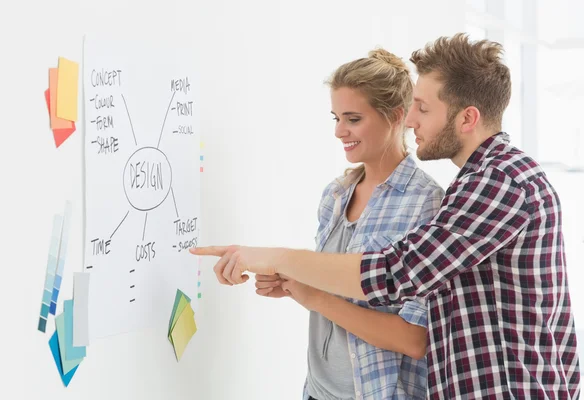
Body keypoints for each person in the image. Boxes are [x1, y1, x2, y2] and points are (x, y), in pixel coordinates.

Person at [191, 33, 581, 399]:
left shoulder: (497, 182)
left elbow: (399, 274)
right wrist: (295, 281)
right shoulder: (474, 182)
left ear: (467, 119)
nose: (413, 121)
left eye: (423, 108)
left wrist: (276, 261)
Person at [252, 49, 444, 400]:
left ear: (396, 116)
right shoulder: (336, 195)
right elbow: (337, 290)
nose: (340, 131)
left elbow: (413, 339)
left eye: (353, 119)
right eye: (336, 118)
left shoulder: (425, 203)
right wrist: (292, 283)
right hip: (318, 392)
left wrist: (314, 296)